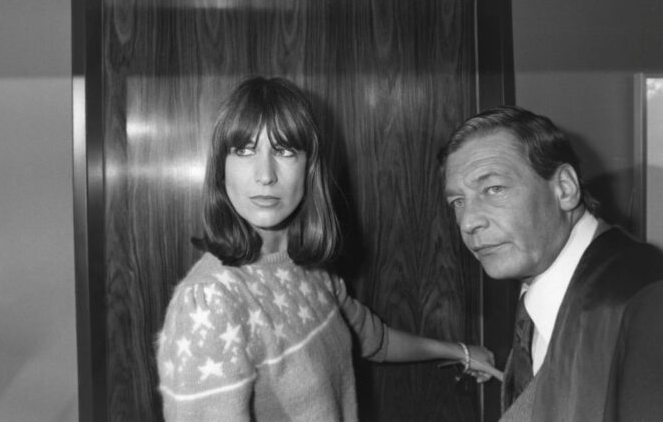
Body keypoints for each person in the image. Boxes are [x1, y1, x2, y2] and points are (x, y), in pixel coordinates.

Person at [156, 76, 500, 421]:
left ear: (309, 168)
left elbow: (374, 339)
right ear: (221, 169)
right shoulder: (209, 303)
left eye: (284, 150)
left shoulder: (308, 268)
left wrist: (460, 352)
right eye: (244, 150)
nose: (265, 175)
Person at [438, 105, 663, 422]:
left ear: (565, 188)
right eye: (458, 202)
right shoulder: (541, 289)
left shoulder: (647, 302)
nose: (468, 222)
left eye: (494, 189)